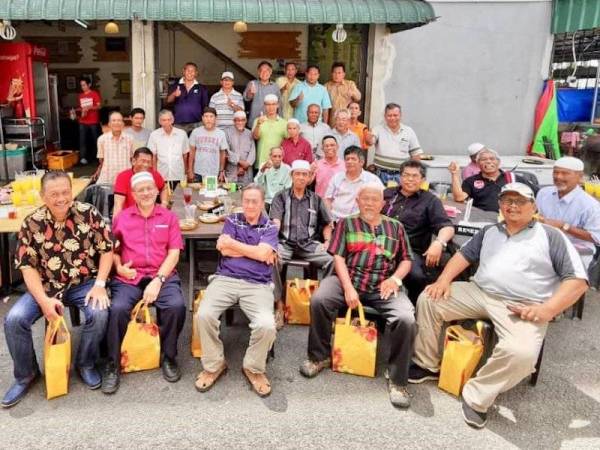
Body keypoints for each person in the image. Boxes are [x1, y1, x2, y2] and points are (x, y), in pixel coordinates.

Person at [409, 182, 588, 428]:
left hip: (524, 305)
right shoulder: (490, 230)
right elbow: (464, 256)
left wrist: (547, 310)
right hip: (480, 291)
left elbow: (578, 282)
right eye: (507, 201)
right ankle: (426, 363)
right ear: (500, 205)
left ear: (533, 206)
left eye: (519, 201)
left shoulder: (550, 235)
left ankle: (477, 395)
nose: (512, 206)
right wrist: (443, 280)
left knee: (522, 354)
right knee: (429, 298)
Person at [299, 182, 416, 408]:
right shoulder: (347, 223)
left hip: (383, 285)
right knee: (320, 299)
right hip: (349, 278)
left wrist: (395, 279)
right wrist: (349, 288)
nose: (370, 203)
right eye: (365, 199)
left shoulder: (396, 227)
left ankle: (398, 379)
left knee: (406, 318)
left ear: (383, 203)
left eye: (375, 199)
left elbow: (406, 259)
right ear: (357, 201)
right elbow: (339, 258)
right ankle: (319, 356)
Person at [2, 171, 113, 408]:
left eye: (65, 192)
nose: (61, 198)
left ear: (72, 191)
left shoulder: (88, 213)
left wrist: (100, 284)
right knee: (14, 319)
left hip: (83, 283)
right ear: (43, 196)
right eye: (54, 194)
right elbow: (27, 266)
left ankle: (85, 363)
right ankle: (26, 374)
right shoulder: (31, 223)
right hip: (45, 286)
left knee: (100, 312)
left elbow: (107, 249)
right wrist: (43, 301)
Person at [102, 172, 186, 394]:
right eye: (141, 190)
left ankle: (169, 356)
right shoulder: (122, 217)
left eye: (150, 188)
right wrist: (118, 267)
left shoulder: (169, 217)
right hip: (130, 275)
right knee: (118, 309)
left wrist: (158, 280)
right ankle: (113, 362)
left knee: (175, 306)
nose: (147, 193)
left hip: (162, 273)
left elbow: (174, 253)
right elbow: (113, 249)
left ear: (157, 191)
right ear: (133, 194)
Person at [195, 184, 278, 397]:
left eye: (255, 201)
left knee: (267, 325)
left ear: (262, 203)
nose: (250, 205)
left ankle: (253, 368)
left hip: (258, 284)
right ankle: (214, 365)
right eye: (247, 201)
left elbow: (261, 254)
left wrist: (236, 246)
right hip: (226, 279)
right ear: (242, 202)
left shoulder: (269, 227)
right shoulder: (233, 220)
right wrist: (256, 252)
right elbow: (223, 248)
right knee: (204, 315)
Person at [270, 160, 334, 329]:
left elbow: (328, 223)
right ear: (291, 176)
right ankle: (278, 305)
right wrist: (272, 242)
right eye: (297, 174)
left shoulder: (316, 199)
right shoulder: (281, 196)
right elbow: (275, 222)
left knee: (333, 261)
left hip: (310, 244)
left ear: (310, 178)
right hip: (285, 242)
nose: (300, 177)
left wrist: (327, 242)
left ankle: (321, 303)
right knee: (273, 259)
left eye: (304, 174)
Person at [384, 161, 455, 303]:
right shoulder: (387, 194)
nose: (410, 179)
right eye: (406, 175)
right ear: (400, 176)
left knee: (417, 276)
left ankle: (414, 307)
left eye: (415, 176)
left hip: (409, 251)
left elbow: (447, 227)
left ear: (422, 180)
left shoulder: (430, 201)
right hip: (380, 245)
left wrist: (439, 243)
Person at [536, 156, 600, 268]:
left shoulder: (590, 205)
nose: (558, 177)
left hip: (576, 252)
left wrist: (564, 227)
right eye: (555, 172)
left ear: (579, 177)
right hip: (543, 245)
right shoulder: (544, 193)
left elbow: (595, 237)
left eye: (565, 173)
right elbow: (537, 216)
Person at [449, 148, 526, 213]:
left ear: (498, 162)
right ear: (478, 164)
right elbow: (459, 198)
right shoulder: (471, 181)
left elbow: (536, 193)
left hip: (509, 219)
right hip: (481, 220)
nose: (488, 161)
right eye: (483, 159)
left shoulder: (513, 178)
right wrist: (455, 174)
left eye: (492, 159)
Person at [366, 103, 423, 185]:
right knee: (382, 197)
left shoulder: (409, 131)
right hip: (380, 174)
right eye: (389, 115)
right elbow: (371, 141)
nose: (392, 118)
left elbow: (416, 155)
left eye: (395, 115)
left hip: (401, 175)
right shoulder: (377, 129)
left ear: (400, 115)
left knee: (402, 197)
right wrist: (368, 138)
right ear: (385, 116)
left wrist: (413, 174)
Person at [325, 146, 383, 221]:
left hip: (359, 221)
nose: (349, 161)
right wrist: (329, 219)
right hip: (335, 218)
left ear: (361, 162)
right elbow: (327, 200)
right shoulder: (337, 177)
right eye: (347, 159)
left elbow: (382, 198)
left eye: (353, 159)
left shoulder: (372, 179)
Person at [113, 147, 168, 216]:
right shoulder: (123, 177)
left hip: (151, 217)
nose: (146, 165)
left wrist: (164, 203)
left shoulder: (154, 175)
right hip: (129, 217)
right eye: (143, 161)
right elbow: (118, 204)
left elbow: (164, 188)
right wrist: (116, 223)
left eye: (149, 162)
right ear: (133, 161)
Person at [147, 109, 190, 184]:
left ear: (173, 120)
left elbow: (185, 155)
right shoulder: (154, 135)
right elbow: (153, 156)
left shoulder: (182, 134)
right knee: (163, 195)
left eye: (169, 119)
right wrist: (155, 174)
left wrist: (185, 172)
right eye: (164, 120)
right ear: (159, 121)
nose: (167, 122)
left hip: (178, 174)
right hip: (162, 175)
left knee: (178, 195)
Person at [166, 62, 209, 135]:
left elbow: (205, 106)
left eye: (193, 71)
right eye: (188, 70)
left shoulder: (202, 88)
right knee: (180, 145)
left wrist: (205, 122)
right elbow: (168, 101)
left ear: (196, 73)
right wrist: (174, 94)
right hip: (178, 124)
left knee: (195, 145)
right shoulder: (175, 86)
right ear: (183, 71)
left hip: (197, 124)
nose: (190, 73)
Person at [188, 107, 229, 182]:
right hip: (198, 171)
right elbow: (192, 152)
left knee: (212, 193)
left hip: (213, 172)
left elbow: (222, 154)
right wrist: (190, 169)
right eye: (206, 116)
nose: (208, 119)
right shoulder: (196, 132)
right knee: (197, 193)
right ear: (202, 118)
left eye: (211, 116)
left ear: (215, 118)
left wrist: (221, 171)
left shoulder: (221, 134)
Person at [93, 111, 134, 185]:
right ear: (109, 124)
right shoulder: (102, 139)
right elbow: (101, 160)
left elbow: (132, 159)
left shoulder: (130, 139)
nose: (117, 123)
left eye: (119, 120)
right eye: (114, 120)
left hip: (126, 178)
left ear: (123, 124)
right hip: (107, 178)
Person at [252, 94, 287, 168]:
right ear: (264, 106)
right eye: (268, 104)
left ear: (278, 105)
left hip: (278, 162)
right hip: (262, 162)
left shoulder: (284, 123)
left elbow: (288, 142)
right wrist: (258, 124)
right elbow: (255, 137)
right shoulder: (258, 120)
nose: (271, 107)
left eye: (273, 104)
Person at [243, 61, 281, 127]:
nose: (264, 73)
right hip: (255, 121)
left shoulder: (275, 86)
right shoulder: (252, 83)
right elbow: (246, 98)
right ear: (258, 72)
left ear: (271, 72)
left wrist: (280, 120)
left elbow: (279, 104)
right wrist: (250, 93)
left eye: (267, 70)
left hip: (270, 123)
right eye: (262, 71)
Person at [325, 62, 361, 128]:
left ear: (344, 74)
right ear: (331, 74)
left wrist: (353, 93)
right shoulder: (327, 86)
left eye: (339, 73)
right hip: (333, 120)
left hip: (347, 119)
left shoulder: (350, 84)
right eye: (334, 72)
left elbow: (358, 97)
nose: (336, 75)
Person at [224, 110, 256, 185]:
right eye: (237, 120)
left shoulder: (249, 133)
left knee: (246, 193)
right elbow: (226, 152)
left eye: (242, 120)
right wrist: (240, 162)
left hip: (247, 172)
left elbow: (252, 152)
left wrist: (246, 165)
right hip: (232, 171)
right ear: (234, 121)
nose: (240, 122)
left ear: (246, 121)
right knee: (231, 194)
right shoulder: (227, 133)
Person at [77, 77, 102, 165]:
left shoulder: (94, 94)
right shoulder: (80, 96)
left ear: (89, 85)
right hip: (83, 121)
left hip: (93, 121)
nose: (82, 87)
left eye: (84, 85)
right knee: (82, 140)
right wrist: (78, 111)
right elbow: (81, 108)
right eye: (81, 85)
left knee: (96, 140)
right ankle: (83, 158)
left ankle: (99, 158)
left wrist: (89, 107)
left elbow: (99, 106)